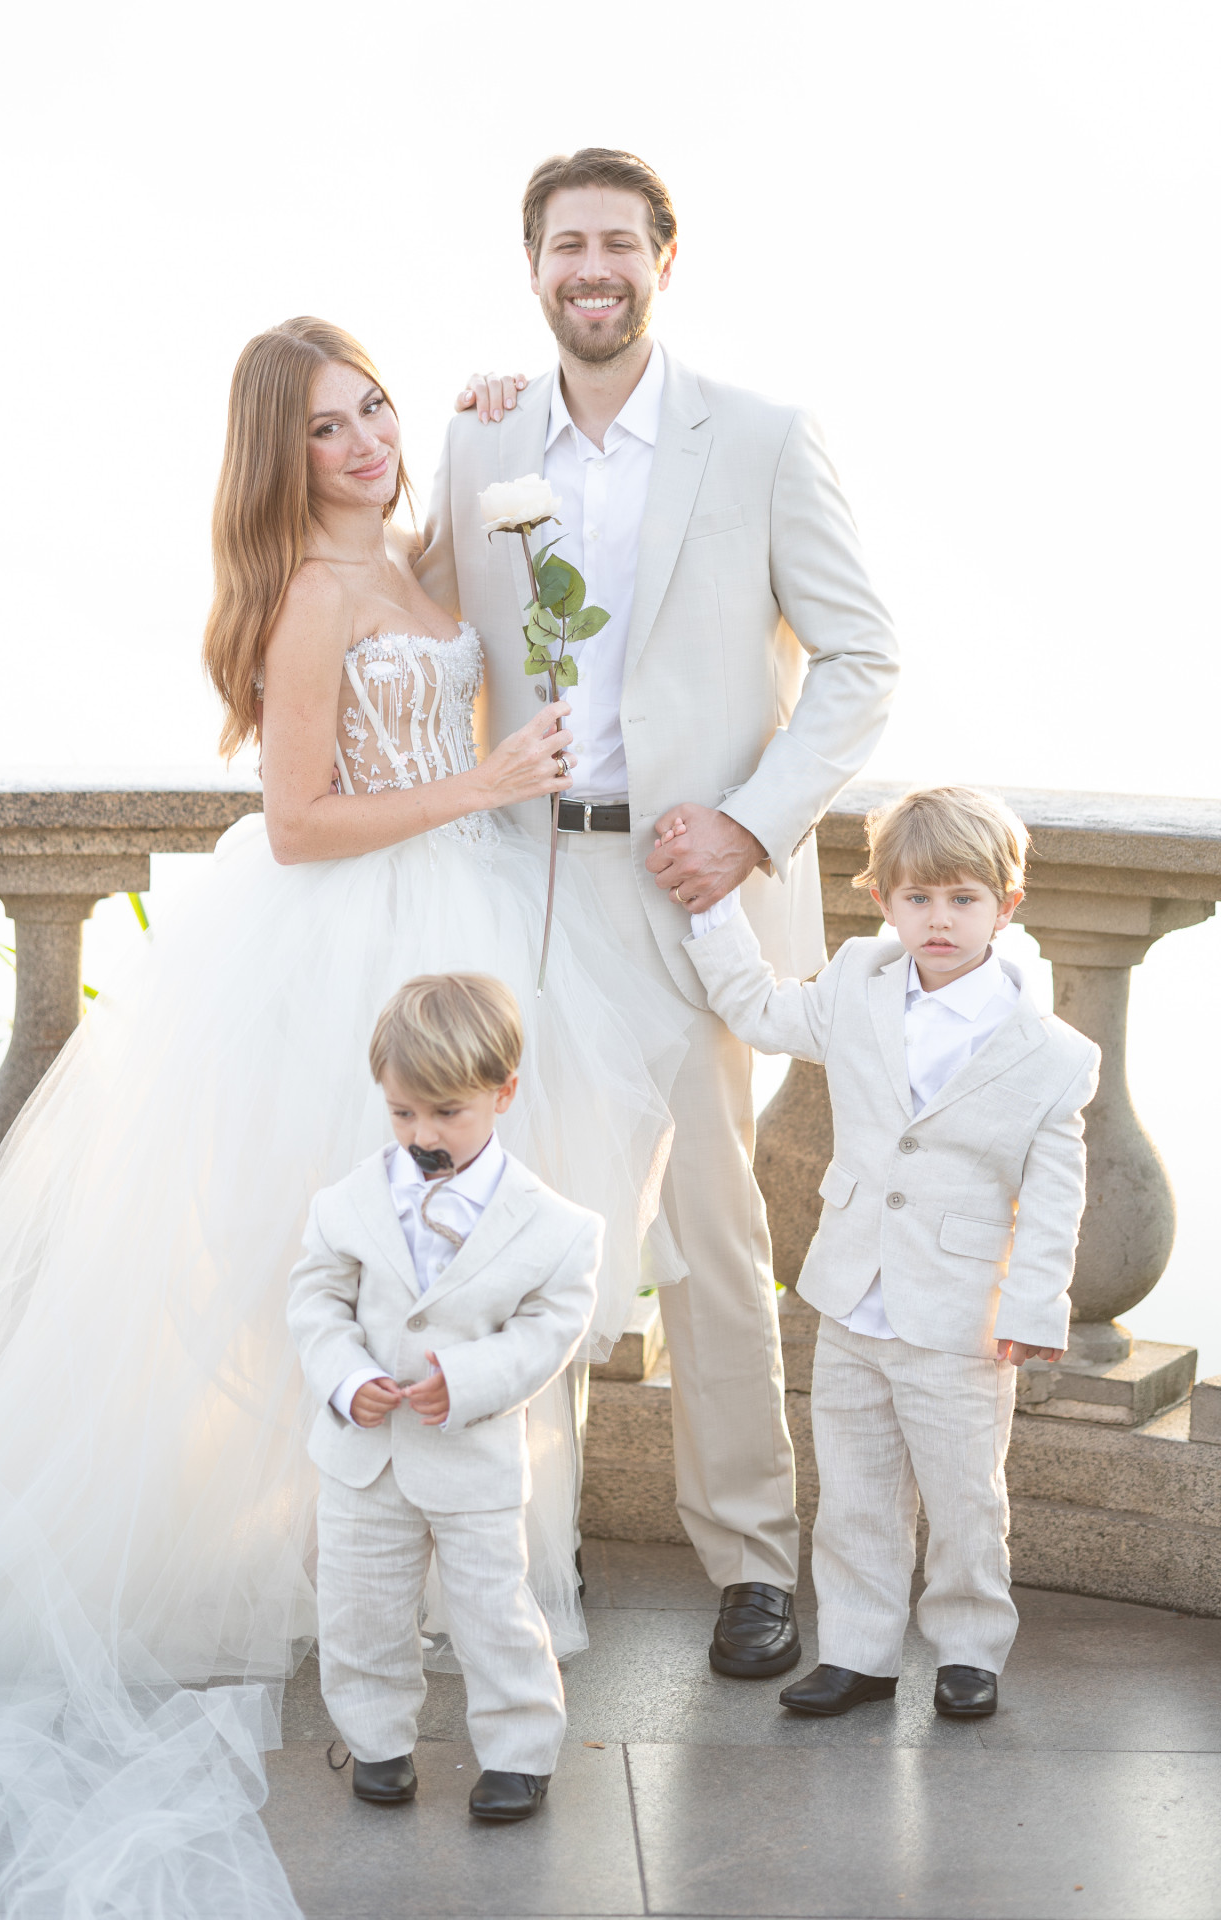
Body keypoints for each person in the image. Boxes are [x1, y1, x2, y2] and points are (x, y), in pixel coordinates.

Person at [0, 318, 687, 1913]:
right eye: (326, 432)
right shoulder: (306, 598)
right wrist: (487, 786)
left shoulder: (415, 556)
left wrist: (495, 412)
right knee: (344, 1265)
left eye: (374, 411)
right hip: (352, 943)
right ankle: (350, 1582)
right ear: (278, 462)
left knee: (486, 1252)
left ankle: (485, 1568)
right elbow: (291, 822)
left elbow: (488, 513)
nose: (364, 445)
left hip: (471, 930)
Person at [420, 147, 901, 1676]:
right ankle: (521, 1557)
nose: (593, 269)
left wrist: (754, 831)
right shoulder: (479, 435)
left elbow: (866, 659)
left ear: (665, 261)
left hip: (693, 898)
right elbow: (425, 623)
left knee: (711, 1232)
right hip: (527, 889)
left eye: (620, 243)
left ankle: (755, 1562)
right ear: (536, 266)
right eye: (568, 245)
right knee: (518, 1229)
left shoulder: (759, 437)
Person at [675, 787, 1100, 1717]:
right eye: (917, 899)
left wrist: (1033, 1307)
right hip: (853, 1292)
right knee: (856, 1492)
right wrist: (710, 907)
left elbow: (1056, 1197)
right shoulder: (859, 986)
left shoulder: (1049, 1051)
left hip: (962, 1318)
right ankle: (860, 1653)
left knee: (964, 1501)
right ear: (883, 901)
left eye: (962, 899)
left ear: (1006, 904)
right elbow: (758, 1010)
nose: (938, 919)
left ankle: (969, 1651)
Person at [288, 972, 602, 1823]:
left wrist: (466, 1381)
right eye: (402, 1114)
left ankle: (519, 1751)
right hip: (365, 1456)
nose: (422, 1135)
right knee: (359, 1609)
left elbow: (549, 1331)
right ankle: (376, 1740)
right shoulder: (347, 1202)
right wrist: (348, 1379)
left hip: (472, 1456)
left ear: (502, 1094)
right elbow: (314, 1299)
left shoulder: (557, 1227)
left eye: (447, 1113)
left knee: (494, 1613)